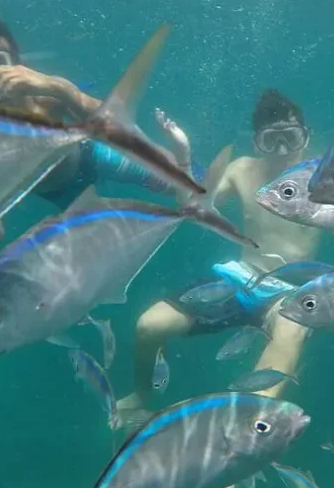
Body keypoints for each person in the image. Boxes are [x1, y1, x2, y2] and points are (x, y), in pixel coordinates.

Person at [116, 89, 321, 421]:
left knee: (290, 333)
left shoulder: (323, 175)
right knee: (148, 326)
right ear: (257, 143)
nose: (283, 150)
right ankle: (142, 397)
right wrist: (182, 154)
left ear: (306, 137)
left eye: (291, 138)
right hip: (238, 280)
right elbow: (193, 207)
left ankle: (249, 428)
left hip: (291, 290)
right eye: (272, 140)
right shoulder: (241, 170)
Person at [0, 10, 193, 247]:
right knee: (104, 245)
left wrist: (64, 91)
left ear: (16, 61)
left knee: (179, 183)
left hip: (91, 155)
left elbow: (125, 130)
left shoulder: (46, 93)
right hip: (59, 193)